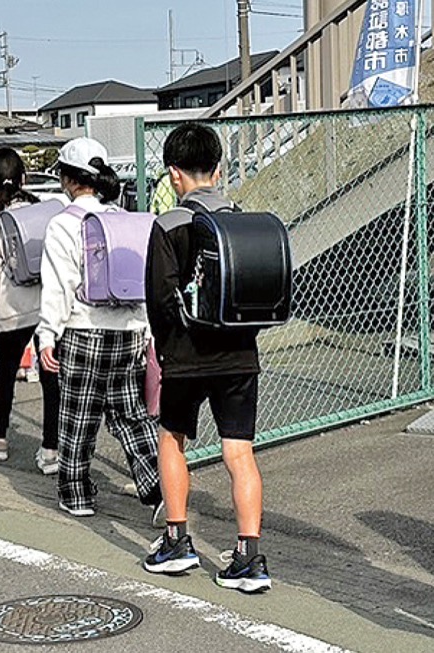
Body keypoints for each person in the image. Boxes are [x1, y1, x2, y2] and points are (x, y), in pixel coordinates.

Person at [140, 123, 270, 594]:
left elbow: (159, 297)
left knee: (172, 438)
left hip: (186, 355)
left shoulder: (168, 224)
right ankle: (248, 557)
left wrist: (164, 347)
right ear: (218, 170)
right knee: (239, 451)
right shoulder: (243, 221)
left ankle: (177, 541)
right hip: (239, 353)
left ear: (174, 174)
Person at [36, 137, 163, 521]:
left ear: (68, 179)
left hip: (83, 330)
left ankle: (76, 495)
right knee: (132, 415)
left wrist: (47, 335)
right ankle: (159, 488)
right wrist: (147, 329)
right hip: (129, 331)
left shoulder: (63, 224)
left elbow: (58, 286)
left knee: (78, 417)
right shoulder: (123, 219)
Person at [0, 147, 62, 474]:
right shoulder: (44, 211)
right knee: (51, 375)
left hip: (12, 310)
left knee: (5, 371)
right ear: (23, 178)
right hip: (47, 306)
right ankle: (51, 450)